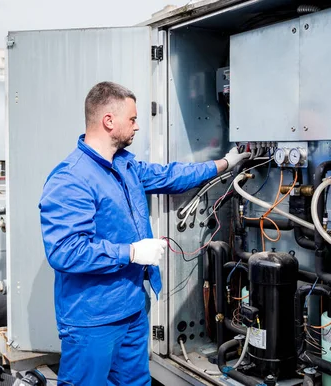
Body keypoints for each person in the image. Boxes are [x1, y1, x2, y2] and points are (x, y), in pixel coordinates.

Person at [39, 81, 249, 386]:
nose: (137, 127)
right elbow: (65, 250)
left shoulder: (125, 166)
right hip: (93, 319)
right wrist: (132, 252)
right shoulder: (71, 178)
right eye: (133, 119)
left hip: (133, 308)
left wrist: (225, 163)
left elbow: (171, 175)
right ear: (109, 121)